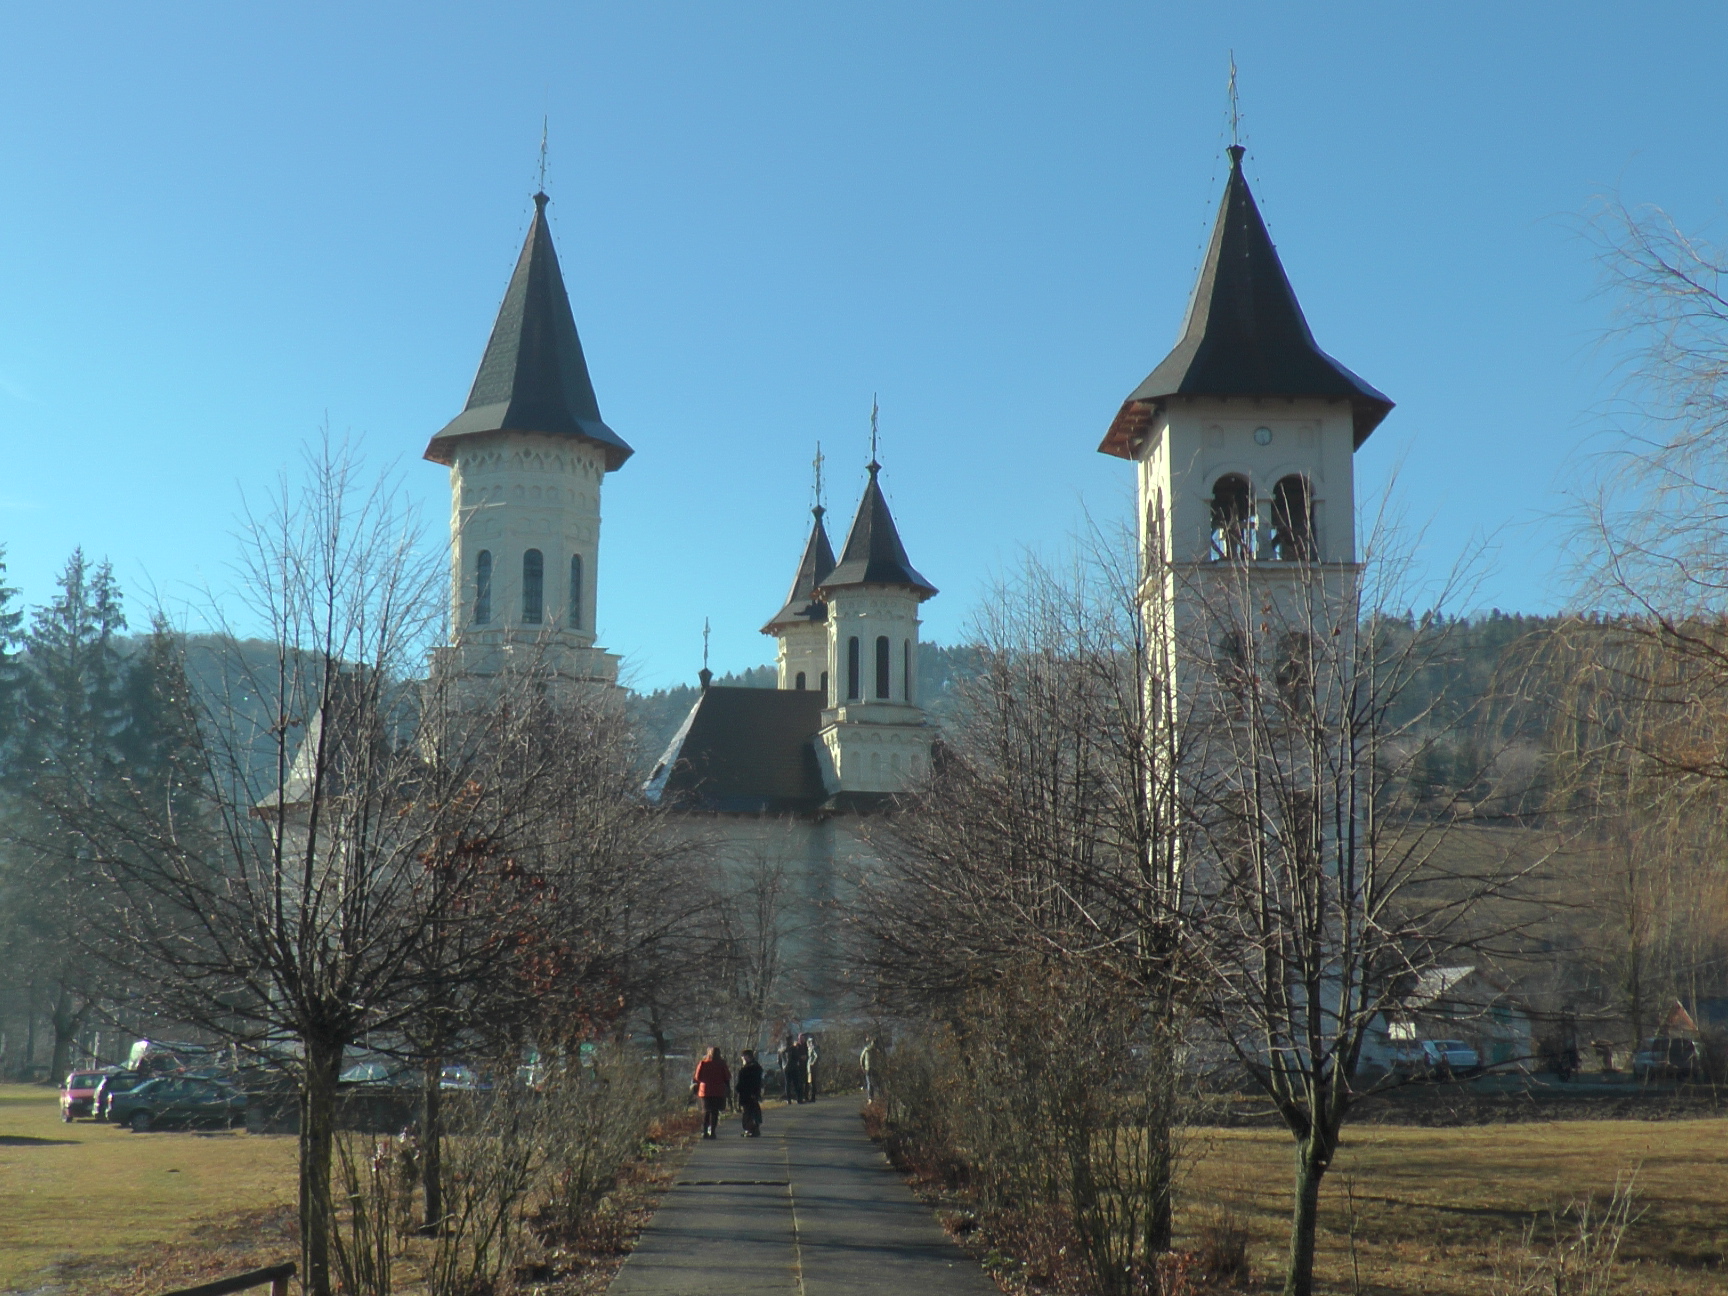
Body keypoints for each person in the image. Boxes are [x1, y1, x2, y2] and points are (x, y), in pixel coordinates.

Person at [692, 1046, 730, 1139]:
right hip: (718, 1090)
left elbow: (697, 1077)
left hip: (705, 1091)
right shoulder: (722, 1064)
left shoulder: (703, 1063)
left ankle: (705, 1132)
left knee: (706, 1111)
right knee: (715, 1112)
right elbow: (727, 1077)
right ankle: (712, 1132)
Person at [736, 1049, 764, 1137]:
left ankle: (750, 1129)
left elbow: (744, 1082)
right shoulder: (756, 1067)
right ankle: (753, 1129)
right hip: (753, 1093)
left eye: (743, 1057)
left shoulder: (749, 1069)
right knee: (753, 1111)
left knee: (748, 1112)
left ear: (747, 1057)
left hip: (747, 1093)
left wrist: (738, 1088)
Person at [788, 1034, 809, 1103]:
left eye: (803, 1038)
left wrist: (806, 1057)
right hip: (799, 1066)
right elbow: (795, 1055)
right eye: (800, 1038)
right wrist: (800, 1057)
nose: (802, 1039)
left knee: (806, 1082)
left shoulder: (806, 1045)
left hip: (805, 1066)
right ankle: (800, 1097)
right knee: (799, 1082)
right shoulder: (796, 1046)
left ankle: (806, 1096)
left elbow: (808, 1053)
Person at [777, 1035, 794, 1101]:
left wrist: (782, 1067)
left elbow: (779, 1060)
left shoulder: (781, 1049)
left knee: (787, 1083)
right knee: (790, 1082)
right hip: (790, 1067)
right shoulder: (789, 1048)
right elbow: (789, 1058)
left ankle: (788, 1097)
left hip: (785, 1067)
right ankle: (790, 1097)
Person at [805, 1034, 820, 1101]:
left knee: (813, 1082)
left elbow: (817, 1056)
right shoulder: (809, 1048)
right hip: (809, 1068)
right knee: (810, 1082)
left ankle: (813, 1097)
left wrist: (813, 1063)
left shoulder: (814, 1048)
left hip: (812, 1068)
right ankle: (809, 1096)